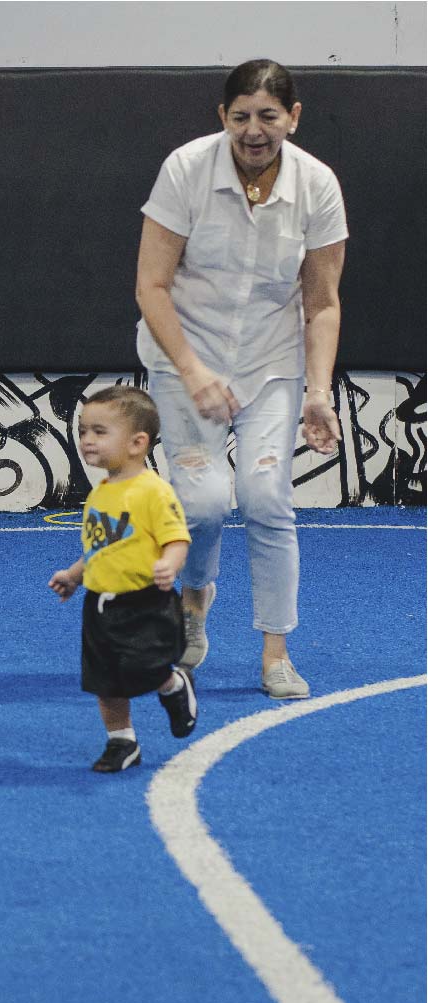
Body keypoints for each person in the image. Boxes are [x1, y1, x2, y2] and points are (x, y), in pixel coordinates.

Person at [134, 59, 346, 700]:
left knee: (264, 497)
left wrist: (318, 393)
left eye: (269, 116)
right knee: (202, 503)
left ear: (293, 118)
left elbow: (323, 302)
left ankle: (275, 653)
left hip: (271, 363)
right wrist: (193, 371)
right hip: (184, 355)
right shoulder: (185, 169)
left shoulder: (317, 185)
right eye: (241, 116)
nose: (255, 130)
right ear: (222, 117)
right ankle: (195, 595)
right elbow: (151, 285)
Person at [49, 387, 198, 773]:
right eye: (83, 431)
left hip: (145, 603)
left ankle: (173, 685)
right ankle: (121, 741)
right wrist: (74, 576)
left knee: (144, 668)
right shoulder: (99, 494)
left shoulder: (153, 491)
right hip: (99, 606)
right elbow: (100, 549)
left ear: (137, 443)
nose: (87, 439)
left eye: (100, 432)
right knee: (105, 681)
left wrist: (170, 564)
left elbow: (177, 538)